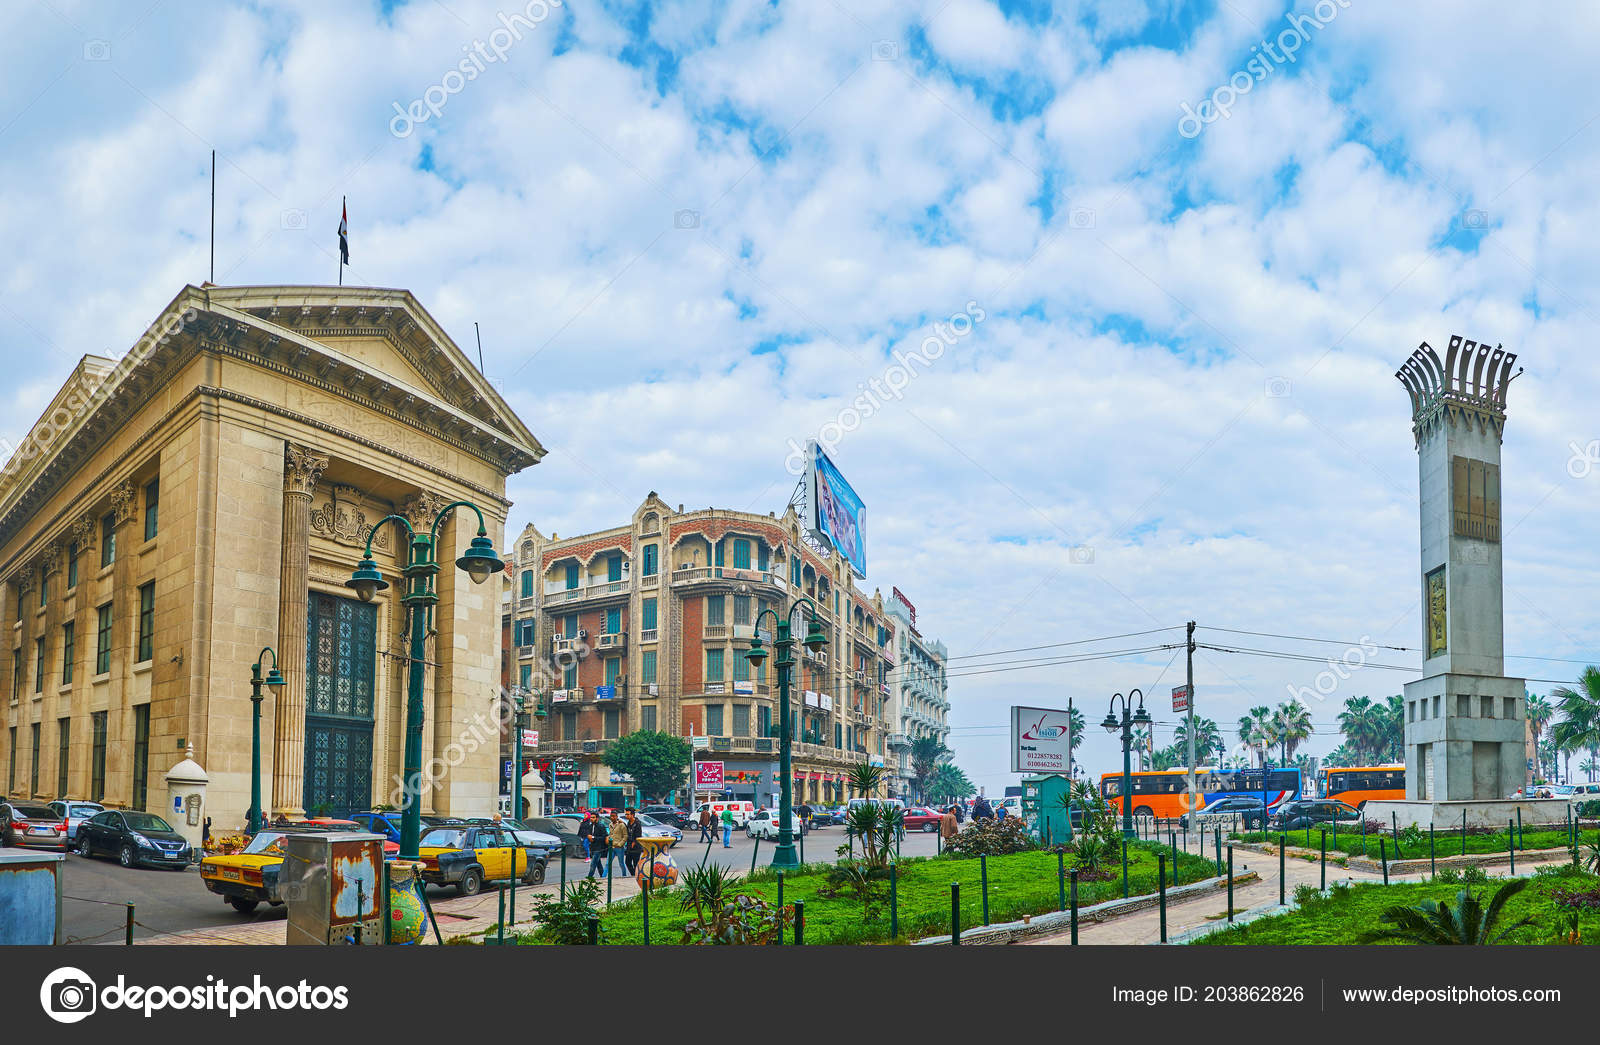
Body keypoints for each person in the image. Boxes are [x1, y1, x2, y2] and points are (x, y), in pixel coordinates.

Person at [586, 814, 610, 878]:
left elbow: (604, 837)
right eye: (591, 817)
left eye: (593, 817)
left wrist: (593, 837)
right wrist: (589, 836)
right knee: (598, 863)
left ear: (597, 818)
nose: (591, 819)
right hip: (592, 847)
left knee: (593, 864)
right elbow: (588, 834)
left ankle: (589, 878)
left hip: (599, 848)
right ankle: (602, 876)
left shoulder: (601, 826)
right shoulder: (590, 826)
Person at [606, 811, 628, 877]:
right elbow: (610, 834)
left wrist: (620, 844)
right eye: (611, 816)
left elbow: (625, 835)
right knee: (608, 863)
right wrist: (608, 839)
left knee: (621, 863)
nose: (612, 817)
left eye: (613, 816)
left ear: (616, 817)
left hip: (619, 847)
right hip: (611, 846)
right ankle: (603, 877)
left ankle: (624, 876)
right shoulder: (610, 824)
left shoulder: (621, 825)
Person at [624, 809, 644, 875]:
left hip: (636, 847)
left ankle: (636, 875)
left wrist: (634, 843)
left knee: (636, 863)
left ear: (632, 815)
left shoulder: (637, 823)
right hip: (629, 846)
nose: (626, 816)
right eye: (625, 814)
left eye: (628, 814)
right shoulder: (629, 823)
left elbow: (638, 835)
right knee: (627, 862)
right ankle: (633, 874)